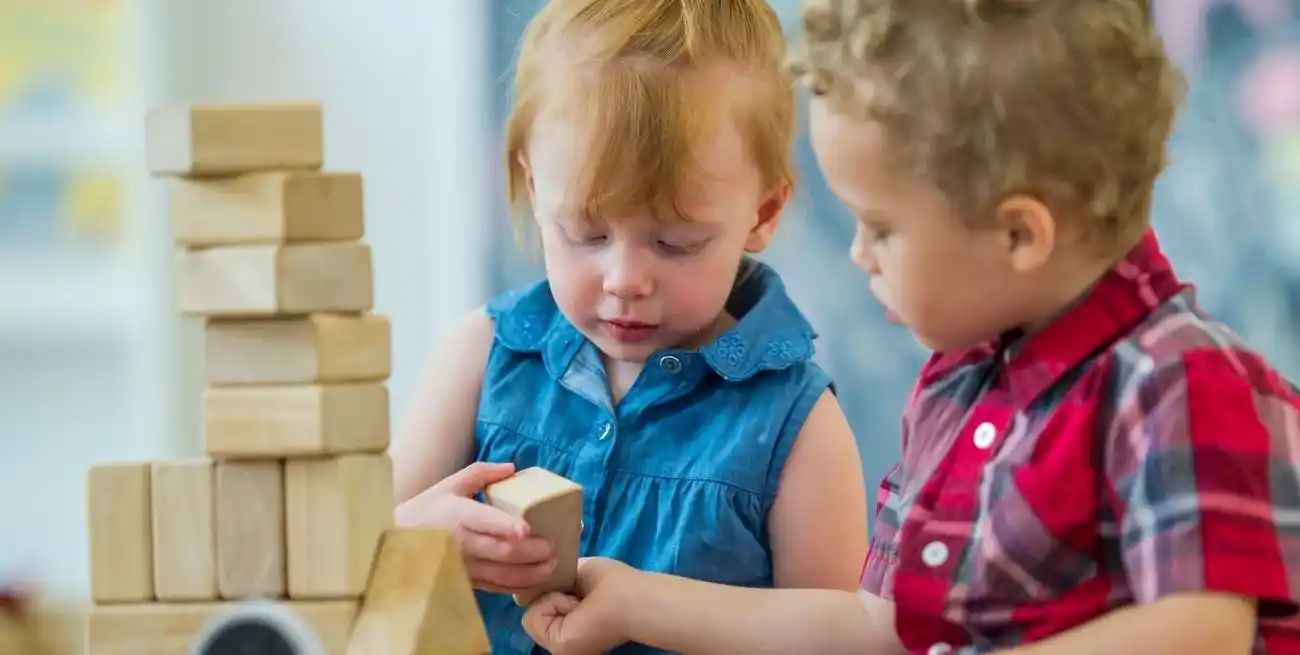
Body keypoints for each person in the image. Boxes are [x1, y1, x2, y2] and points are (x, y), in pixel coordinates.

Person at [519, 0, 1300, 653]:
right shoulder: (960, 390)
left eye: (882, 227)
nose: (860, 254)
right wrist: (636, 601)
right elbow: (879, 624)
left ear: (1019, 235)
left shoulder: (1180, 382)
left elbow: (1200, 630)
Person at [388, 0, 869, 653]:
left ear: (762, 211)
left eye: (675, 242)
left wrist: (653, 609)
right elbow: (346, 561)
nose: (624, 278)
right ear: (536, 191)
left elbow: (839, 637)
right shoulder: (480, 356)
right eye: (586, 233)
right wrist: (417, 535)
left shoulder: (796, 426)